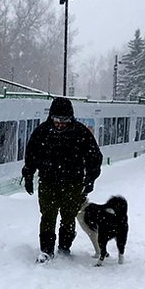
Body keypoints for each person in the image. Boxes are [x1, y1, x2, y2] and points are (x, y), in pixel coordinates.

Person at [22, 97, 103, 264]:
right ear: (51, 117)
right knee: (48, 216)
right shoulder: (42, 132)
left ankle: (65, 247)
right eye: (57, 120)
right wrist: (28, 174)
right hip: (48, 181)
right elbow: (32, 155)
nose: (60, 124)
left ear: (71, 118)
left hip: (73, 183)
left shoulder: (80, 133)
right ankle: (46, 250)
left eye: (64, 120)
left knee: (68, 216)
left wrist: (90, 178)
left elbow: (94, 157)